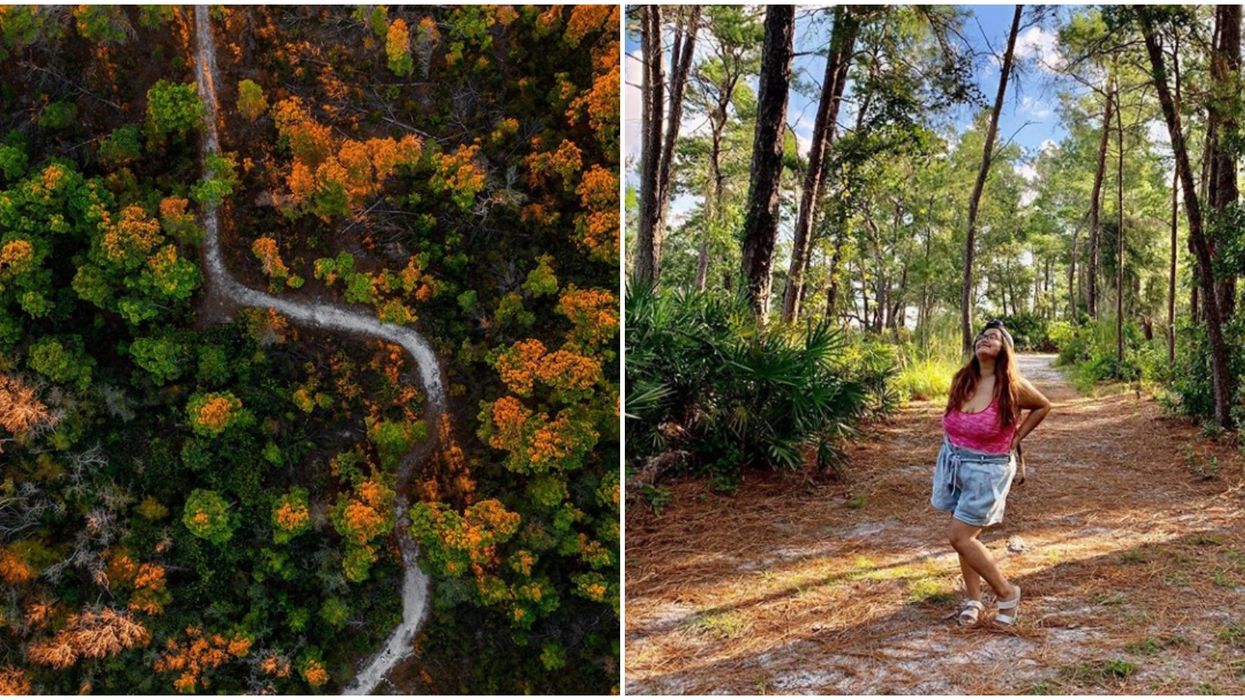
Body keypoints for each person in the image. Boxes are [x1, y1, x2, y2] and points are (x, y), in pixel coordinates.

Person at [931, 320, 1051, 626]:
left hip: (988, 469)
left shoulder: (1011, 386)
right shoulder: (963, 379)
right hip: (954, 462)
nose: (986, 340)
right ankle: (973, 599)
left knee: (961, 537)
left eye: (994, 338)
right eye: (983, 336)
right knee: (966, 536)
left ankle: (1006, 592)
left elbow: (1043, 405)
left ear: (1004, 350)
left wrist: (1017, 436)